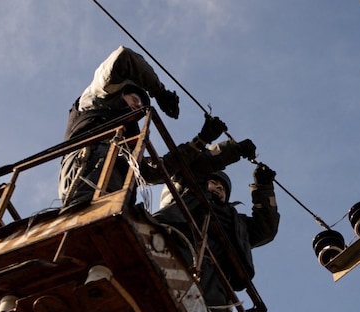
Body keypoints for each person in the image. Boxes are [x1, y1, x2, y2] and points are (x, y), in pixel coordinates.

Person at [58, 45, 250, 207]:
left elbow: (158, 172)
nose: (138, 106)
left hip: (115, 199)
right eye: (135, 98)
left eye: (142, 105)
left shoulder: (129, 144)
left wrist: (201, 141)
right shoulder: (96, 99)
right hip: (83, 176)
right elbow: (123, 57)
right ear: (121, 90)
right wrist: (159, 91)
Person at [153, 163, 280, 312]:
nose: (219, 189)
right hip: (179, 253)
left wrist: (263, 188)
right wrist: (221, 155)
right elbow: (188, 167)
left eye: (223, 188)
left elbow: (265, 229)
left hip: (215, 280)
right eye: (214, 182)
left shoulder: (237, 223)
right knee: (161, 295)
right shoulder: (186, 193)